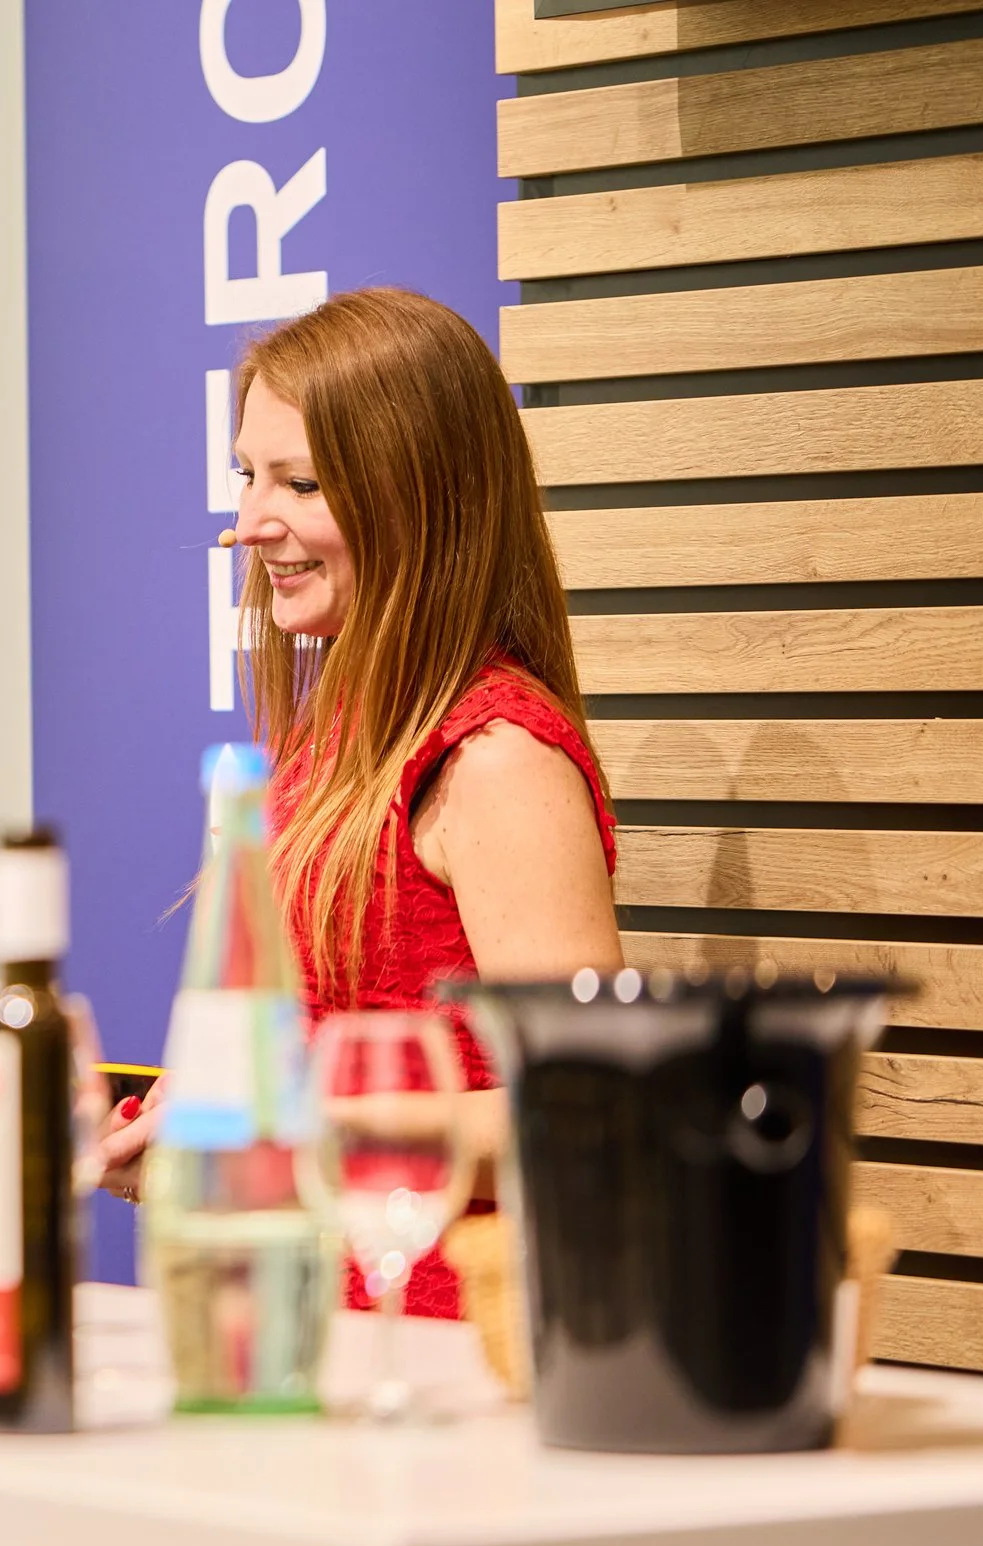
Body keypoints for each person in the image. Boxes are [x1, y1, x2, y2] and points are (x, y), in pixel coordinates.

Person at [100, 287, 621, 1317]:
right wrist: (183, 1125)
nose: (252, 522)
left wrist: (291, 1121)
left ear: (417, 494)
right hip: (306, 1338)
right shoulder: (331, 738)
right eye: (247, 475)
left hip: (452, 1363)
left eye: (299, 481)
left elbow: (590, 1113)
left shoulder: (496, 758)